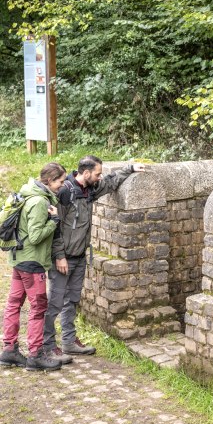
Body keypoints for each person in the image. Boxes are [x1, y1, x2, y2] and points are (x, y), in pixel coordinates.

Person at [43, 156, 145, 363]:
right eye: (97, 173)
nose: (99, 177)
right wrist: (59, 256)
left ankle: (69, 342)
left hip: (80, 256)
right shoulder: (64, 192)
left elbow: (111, 181)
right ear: (86, 172)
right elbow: (54, 227)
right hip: (62, 259)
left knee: (72, 301)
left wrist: (131, 168)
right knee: (54, 303)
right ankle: (47, 346)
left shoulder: (90, 190)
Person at [0, 162, 67, 371]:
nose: (62, 186)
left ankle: (9, 350)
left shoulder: (27, 192)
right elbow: (36, 236)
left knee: (14, 304)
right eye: (60, 181)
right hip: (33, 262)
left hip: (19, 258)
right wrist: (54, 220)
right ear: (49, 180)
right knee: (38, 307)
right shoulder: (39, 201)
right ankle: (35, 355)